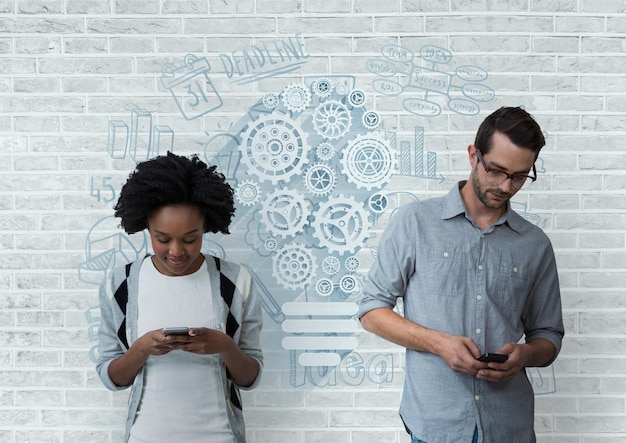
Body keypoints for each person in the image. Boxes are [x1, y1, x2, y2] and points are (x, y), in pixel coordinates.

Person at [358, 107, 564, 443]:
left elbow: (549, 336)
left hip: (510, 425)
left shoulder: (535, 245)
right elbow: (371, 311)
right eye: (496, 170)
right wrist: (439, 344)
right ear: (473, 155)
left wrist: (525, 355)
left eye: (519, 176)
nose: (505, 185)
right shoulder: (415, 223)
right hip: (436, 424)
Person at [95, 152, 263, 443]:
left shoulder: (235, 282)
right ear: (146, 226)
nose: (176, 251)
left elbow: (250, 377)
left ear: (206, 227)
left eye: (190, 239)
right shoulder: (120, 284)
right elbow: (112, 377)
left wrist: (223, 345)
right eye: (162, 238)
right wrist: (141, 349)